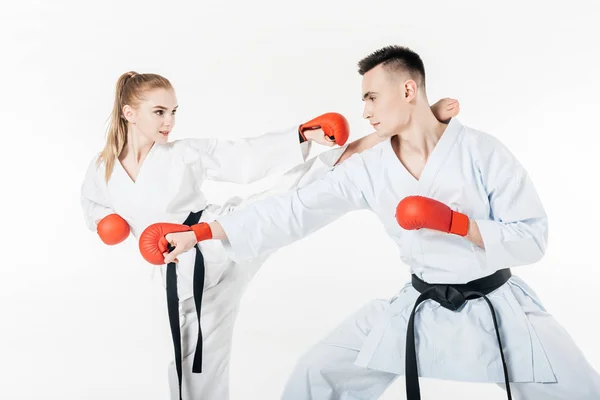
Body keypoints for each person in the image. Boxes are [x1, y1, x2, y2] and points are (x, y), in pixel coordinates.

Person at [145, 46, 600, 400]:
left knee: (580, 389)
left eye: (371, 97)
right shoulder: (370, 168)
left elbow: (533, 237)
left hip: (499, 308)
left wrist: (459, 224)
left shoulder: (483, 151)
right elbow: (293, 210)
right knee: (316, 373)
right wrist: (201, 233)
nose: (363, 111)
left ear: (408, 91)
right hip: (419, 308)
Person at [81, 70, 459, 400]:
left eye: (173, 112)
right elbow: (93, 202)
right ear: (129, 114)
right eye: (159, 112)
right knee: (183, 364)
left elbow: (243, 157)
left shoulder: (183, 153)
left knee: (299, 188)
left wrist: (301, 134)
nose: (170, 122)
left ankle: (414, 122)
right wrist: (104, 223)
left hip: (221, 238)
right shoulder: (103, 169)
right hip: (172, 276)